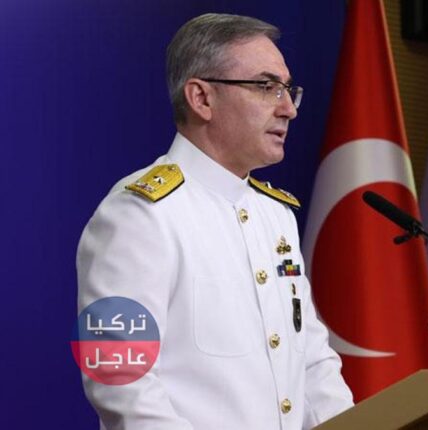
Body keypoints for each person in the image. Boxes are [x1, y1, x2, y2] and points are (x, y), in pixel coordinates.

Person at [76, 13, 353, 429]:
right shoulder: (140, 213)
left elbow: (312, 361)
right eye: (266, 87)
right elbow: (119, 376)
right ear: (201, 98)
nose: (287, 109)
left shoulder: (275, 215)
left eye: (287, 89)